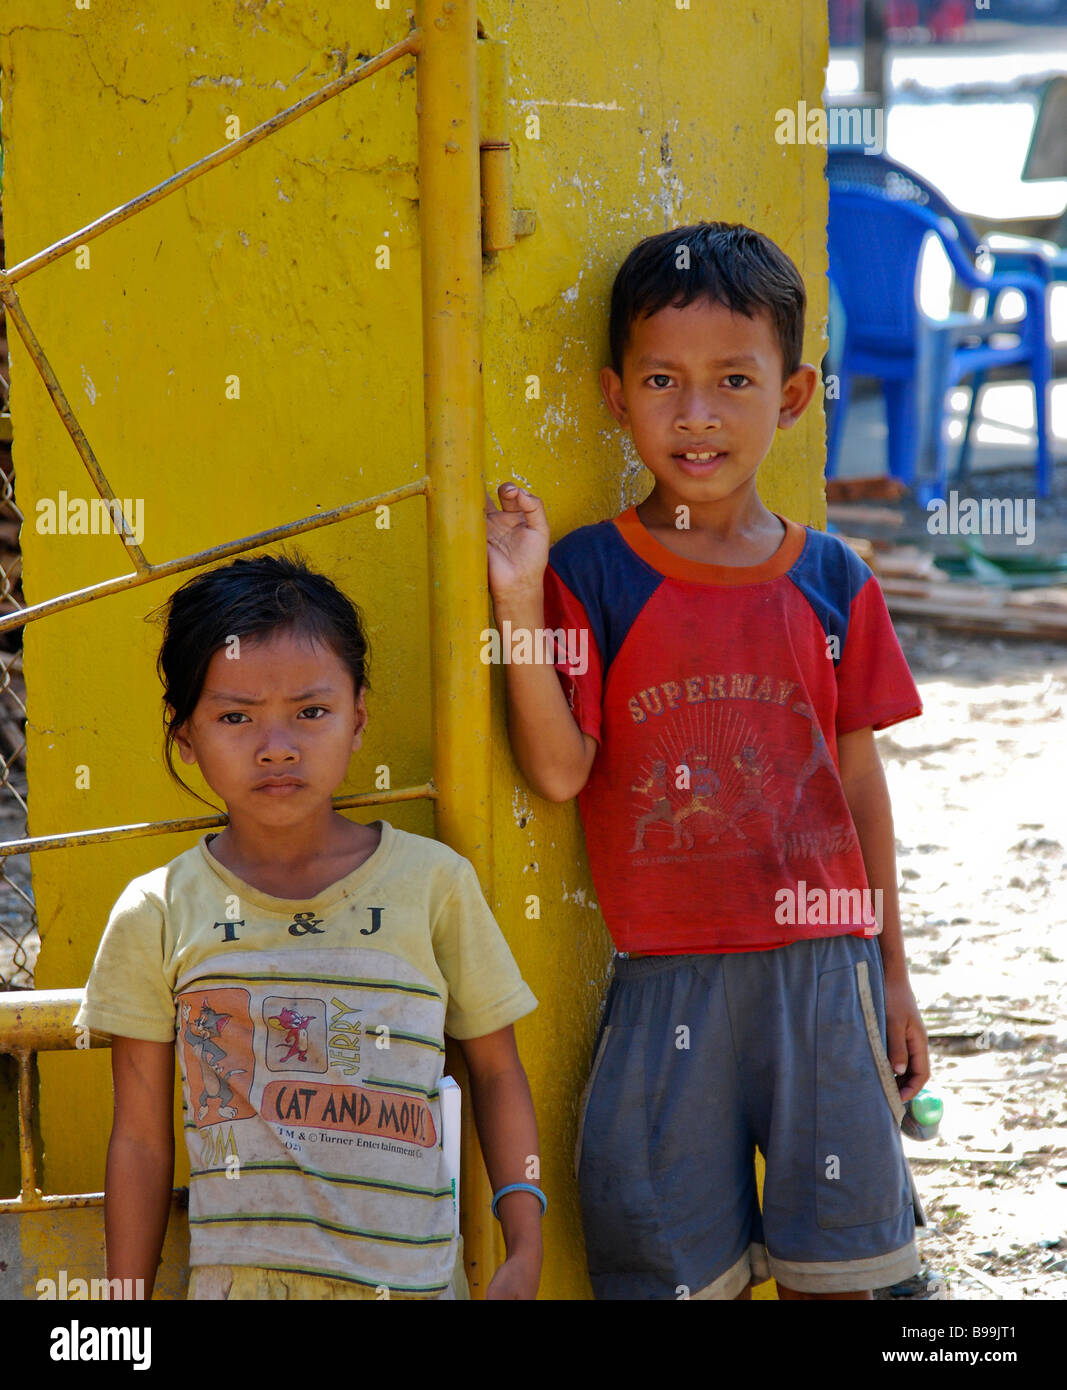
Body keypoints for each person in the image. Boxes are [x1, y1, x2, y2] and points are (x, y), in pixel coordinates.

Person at [485, 221, 930, 1301]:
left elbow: (856, 779)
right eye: (661, 381)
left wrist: (894, 971)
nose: (695, 414)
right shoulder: (588, 573)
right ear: (613, 395)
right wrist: (512, 597)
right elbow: (556, 770)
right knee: (667, 1264)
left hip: (825, 975)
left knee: (848, 1266)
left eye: (732, 379)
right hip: (665, 977)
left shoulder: (832, 578)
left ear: (790, 395)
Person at [76, 551, 543, 1300]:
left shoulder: (432, 885)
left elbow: (495, 1070)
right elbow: (137, 1137)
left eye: (310, 711)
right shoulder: (159, 910)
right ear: (185, 735)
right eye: (235, 717)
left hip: (416, 1285)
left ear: (357, 719)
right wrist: (123, 1307)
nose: (277, 747)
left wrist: (524, 1246)